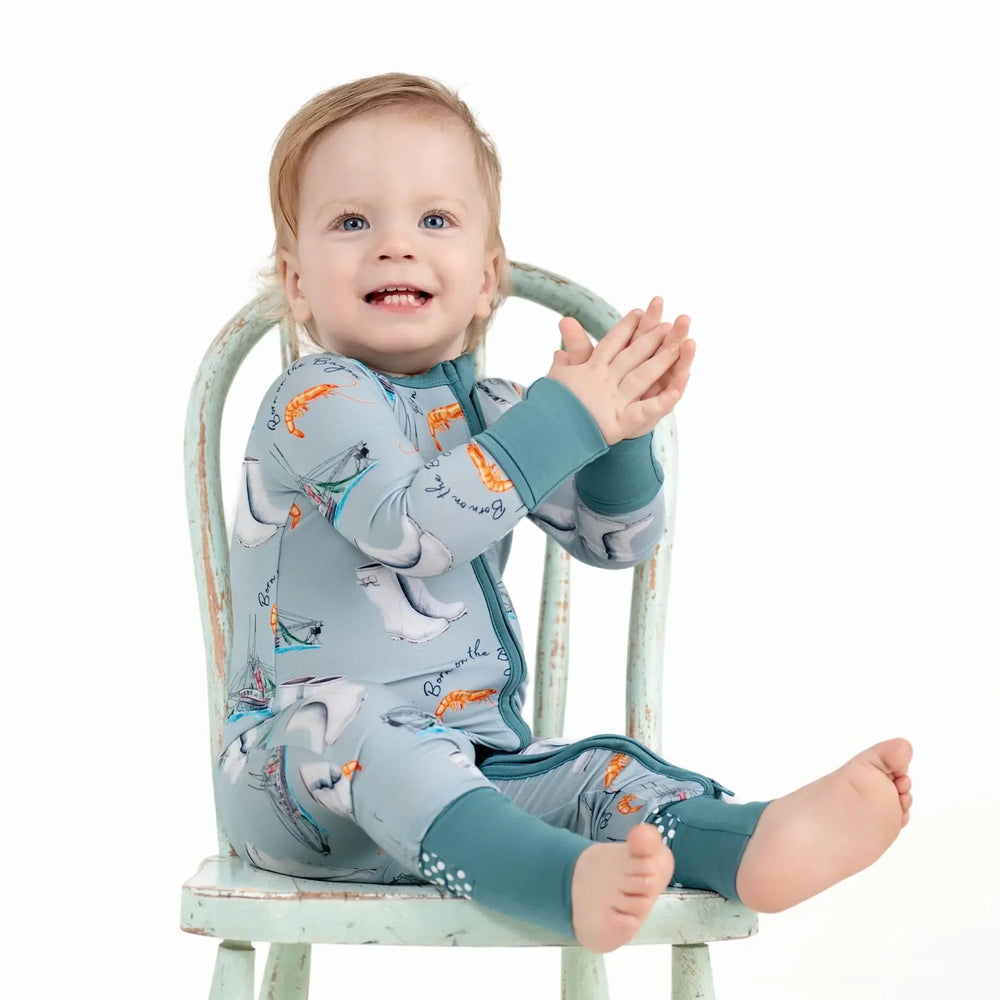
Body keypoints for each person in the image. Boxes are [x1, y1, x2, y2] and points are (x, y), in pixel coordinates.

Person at [218, 72, 912, 953]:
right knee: (365, 729)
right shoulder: (314, 398)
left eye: (435, 220)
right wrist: (567, 420)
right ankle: (557, 881)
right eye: (353, 222)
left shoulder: (497, 413)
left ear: (487, 280)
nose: (395, 246)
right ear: (297, 284)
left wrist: (619, 434)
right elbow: (410, 527)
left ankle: (746, 844)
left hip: (470, 774)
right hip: (298, 780)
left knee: (596, 774)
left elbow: (618, 540)